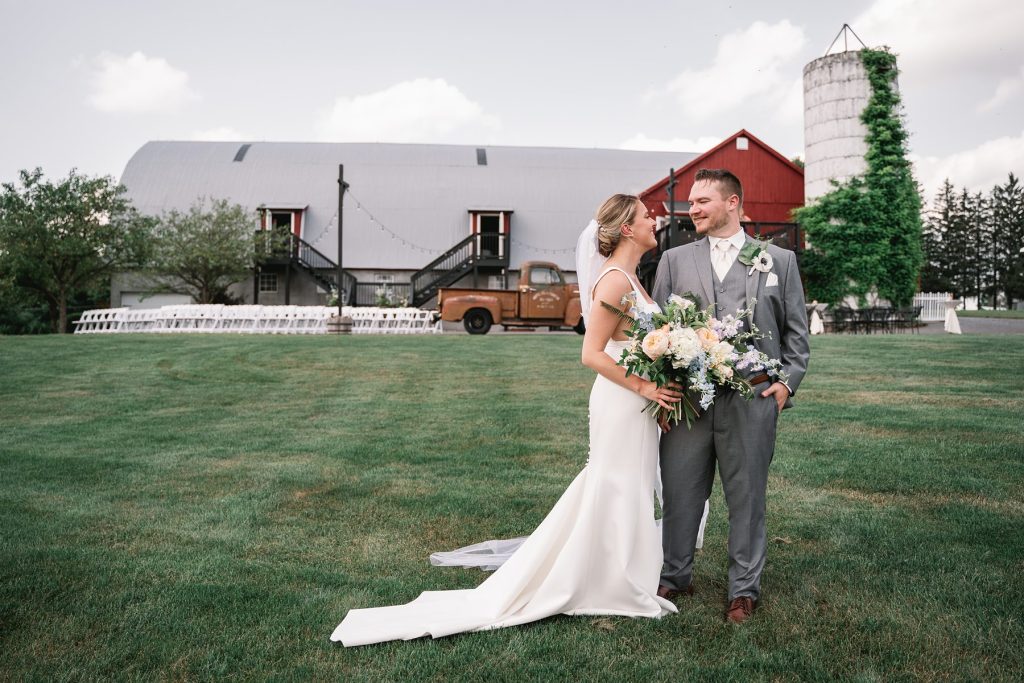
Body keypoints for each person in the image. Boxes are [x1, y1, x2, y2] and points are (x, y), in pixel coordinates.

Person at [331, 194, 683, 646]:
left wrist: (661, 385)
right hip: (620, 400)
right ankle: (607, 583)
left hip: (636, 402)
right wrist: (645, 387)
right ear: (627, 229)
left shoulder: (632, 278)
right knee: (612, 482)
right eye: (646, 215)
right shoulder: (614, 282)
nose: (655, 219)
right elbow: (590, 353)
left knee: (627, 484)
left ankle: (621, 577)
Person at [652, 168, 809, 624]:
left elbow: (796, 335)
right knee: (681, 493)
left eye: (702, 201)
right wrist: (664, 394)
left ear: (733, 202)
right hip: (690, 401)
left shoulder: (777, 260)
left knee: (747, 498)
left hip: (754, 400)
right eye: (692, 202)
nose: (692, 209)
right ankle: (676, 575)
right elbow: (658, 331)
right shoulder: (674, 261)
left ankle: (744, 590)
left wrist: (784, 386)